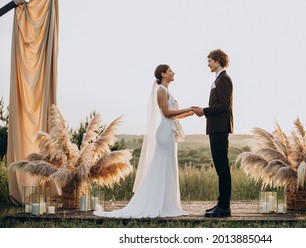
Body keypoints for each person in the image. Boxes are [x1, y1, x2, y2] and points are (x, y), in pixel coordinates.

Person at [93, 64, 194, 218]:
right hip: (165, 133)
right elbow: (166, 113)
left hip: (170, 133)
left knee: (169, 168)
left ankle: (168, 204)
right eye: (170, 71)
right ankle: (158, 204)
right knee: (163, 167)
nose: (173, 73)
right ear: (163, 74)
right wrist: (186, 108)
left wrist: (190, 113)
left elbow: (174, 115)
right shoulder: (161, 91)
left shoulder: (167, 91)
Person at [193, 49, 234, 218]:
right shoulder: (219, 79)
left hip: (220, 127)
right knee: (220, 167)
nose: (208, 64)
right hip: (215, 127)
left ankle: (224, 207)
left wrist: (204, 111)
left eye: (209, 61)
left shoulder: (224, 79)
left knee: (222, 167)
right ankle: (221, 203)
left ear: (218, 60)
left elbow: (225, 106)